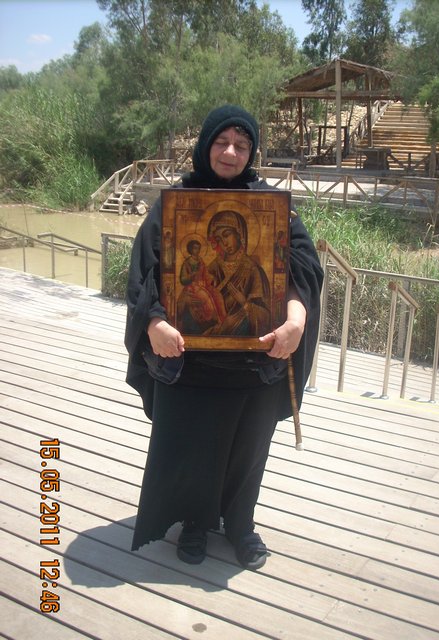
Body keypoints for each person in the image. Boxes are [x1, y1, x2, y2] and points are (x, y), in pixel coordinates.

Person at [125, 104, 324, 570]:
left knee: (247, 452)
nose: (231, 153)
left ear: (252, 152)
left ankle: (239, 524)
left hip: (255, 363)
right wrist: (154, 323)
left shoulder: (273, 207)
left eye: (242, 144)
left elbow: (303, 270)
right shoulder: (174, 204)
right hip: (190, 361)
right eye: (222, 142)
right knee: (194, 447)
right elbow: (145, 272)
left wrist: (295, 321)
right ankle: (195, 523)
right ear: (205, 145)